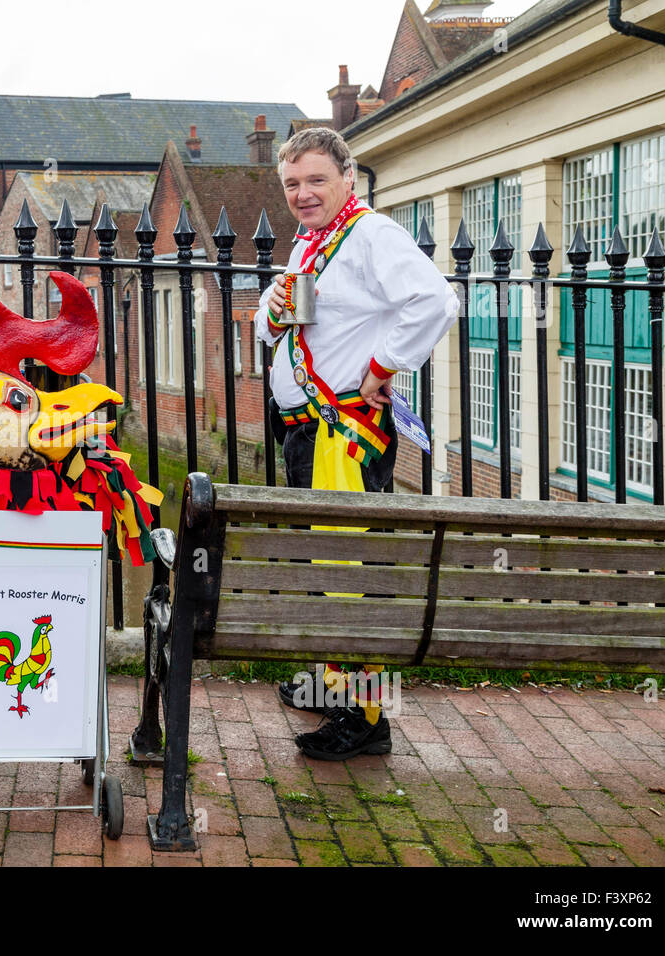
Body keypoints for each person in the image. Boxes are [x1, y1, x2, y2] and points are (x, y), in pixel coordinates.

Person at [254, 126, 456, 760]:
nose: (303, 193)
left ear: (348, 176)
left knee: (350, 574)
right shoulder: (312, 243)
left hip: (341, 434)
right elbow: (272, 327)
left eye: (316, 180)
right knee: (325, 567)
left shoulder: (371, 235)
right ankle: (331, 684)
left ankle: (366, 721)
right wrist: (273, 301)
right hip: (307, 431)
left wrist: (384, 366)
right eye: (292, 184)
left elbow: (435, 300)